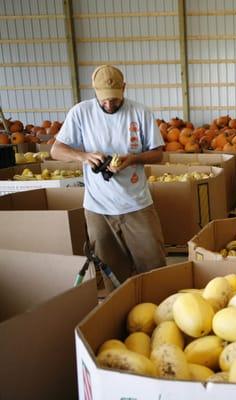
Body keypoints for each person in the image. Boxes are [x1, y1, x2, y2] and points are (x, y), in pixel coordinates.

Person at [51, 64, 166, 283]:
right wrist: (84, 156)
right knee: (112, 272)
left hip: (137, 204)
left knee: (154, 266)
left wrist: (133, 158)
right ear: (94, 90)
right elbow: (57, 150)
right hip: (98, 208)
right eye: (103, 99)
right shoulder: (80, 113)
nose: (109, 104)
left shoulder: (139, 112)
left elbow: (158, 154)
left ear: (124, 88)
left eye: (114, 98)